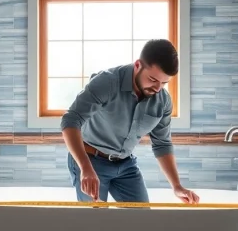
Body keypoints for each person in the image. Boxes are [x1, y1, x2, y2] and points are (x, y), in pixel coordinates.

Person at [60, 39, 200, 204]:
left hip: (126, 164)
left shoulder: (163, 101)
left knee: (141, 217)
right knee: (95, 218)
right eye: (153, 79)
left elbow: (162, 144)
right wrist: (85, 167)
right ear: (138, 65)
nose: (157, 88)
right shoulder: (107, 82)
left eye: (164, 83)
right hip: (90, 160)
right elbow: (70, 120)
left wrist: (177, 186)